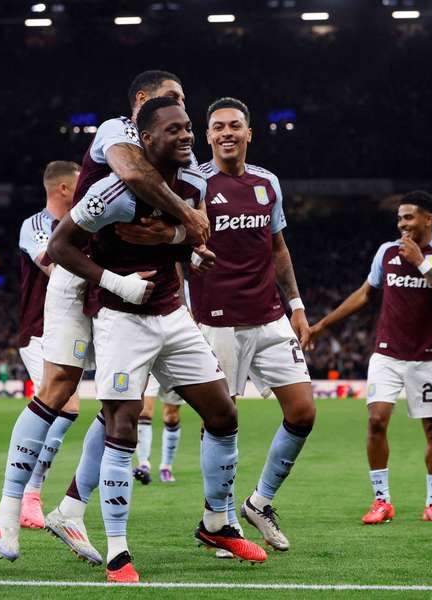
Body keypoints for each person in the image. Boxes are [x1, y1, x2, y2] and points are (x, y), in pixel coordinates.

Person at [0, 69, 208, 564]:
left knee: (119, 407)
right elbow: (134, 174)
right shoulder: (116, 130)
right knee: (58, 387)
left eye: (183, 103)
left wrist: (185, 237)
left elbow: (186, 205)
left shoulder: (181, 154)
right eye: (169, 99)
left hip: (134, 292)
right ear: (142, 101)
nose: (177, 112)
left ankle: (70, 509)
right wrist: (188, 220)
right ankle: (7, 507)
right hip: (79, 274)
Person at [47, 97, 267, 582]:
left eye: (189, 128)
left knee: (223, 413)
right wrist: (116, 281)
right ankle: (118, 551)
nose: (187, 136)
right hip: (122, 318)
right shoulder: (112, 192)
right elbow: (57, 247)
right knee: (121, 425)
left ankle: (216, 521)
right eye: (174, 131)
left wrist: (189, 251)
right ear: (147, 141)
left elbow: (195, 239)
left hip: (171, 314)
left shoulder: (194, 182)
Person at [119, 97, 313, 552]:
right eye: (218, 127)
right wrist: (185, 263)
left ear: (249, 133)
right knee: (220, 420)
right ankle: (217, 517)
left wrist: (297, 304)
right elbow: (162, 238)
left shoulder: (268, 183)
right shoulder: (192, 182)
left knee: (303, 412)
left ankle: (259, 501)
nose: (227, 133)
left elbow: (278, 247)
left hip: (270, 317)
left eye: (235, 126)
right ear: (207, 136)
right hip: (216, 320)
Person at [305, 190, 432, 525]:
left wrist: (421, 263)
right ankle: (382, 501)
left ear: (428, 219)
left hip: (427, 358)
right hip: (387, 355)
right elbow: (365, 294)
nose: (401, 224)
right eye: (399, 218)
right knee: (377, 421)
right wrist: (322, 325)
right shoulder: (386, 252)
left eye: (408, 217)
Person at [8, 160, 82, 530]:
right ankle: (27, 496)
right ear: (63, 189)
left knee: (68, 409)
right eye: (80, 183)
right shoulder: (36, 226)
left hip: (70, 330)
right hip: (39, 330)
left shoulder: (82, 225)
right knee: (65, 404)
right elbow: (51, 266)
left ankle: (28, 494)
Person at [134, 376, 185, 485]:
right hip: (150, 364)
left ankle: (166, 467)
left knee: (172, 416)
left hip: (171, 366)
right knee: (144, 412)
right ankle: (143, 465)